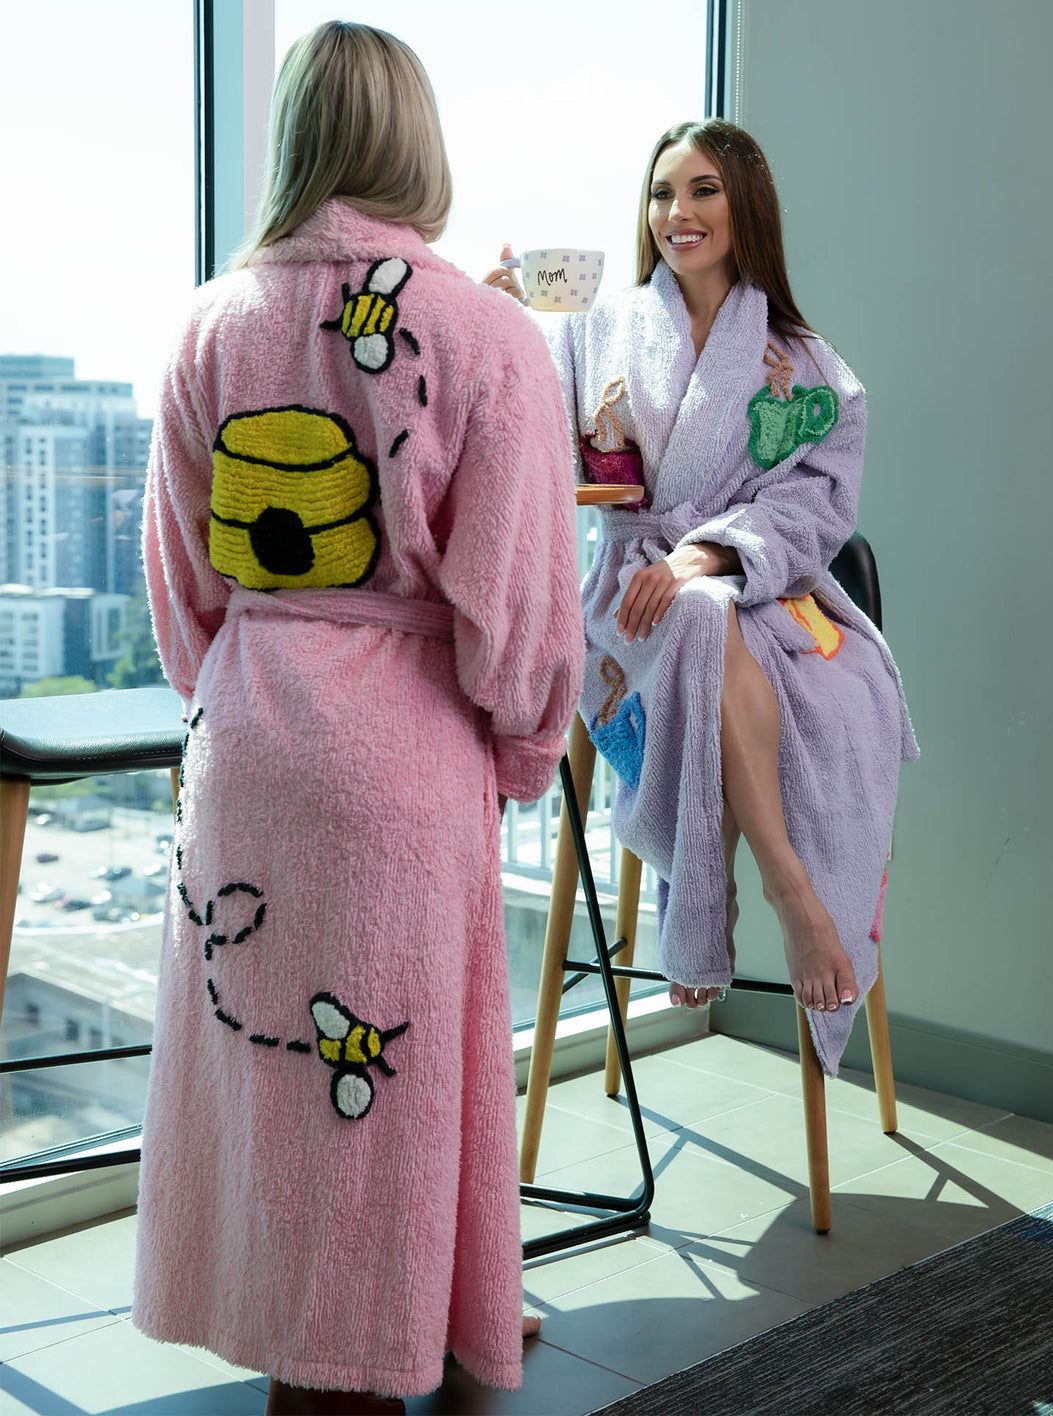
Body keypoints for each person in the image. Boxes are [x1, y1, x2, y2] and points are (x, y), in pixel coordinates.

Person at [132, 21, 584, 1415]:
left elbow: (181, 585)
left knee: (272, 1071)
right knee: (399, 1068)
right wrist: (523, 741)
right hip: (401, 747)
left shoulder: (209, 323)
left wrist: (242, 689)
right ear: (415, 140)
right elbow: (519, 591)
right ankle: (351, 1371)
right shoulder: (487, 335)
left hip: (248, 735)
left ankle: (346, 1323)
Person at [485, 119, 917, 1079]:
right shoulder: (593, 329)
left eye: (702, 190)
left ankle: (725, 894)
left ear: (743, 205)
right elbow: (524, 442)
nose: (676, 212)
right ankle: (778, 893)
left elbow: (819, 504)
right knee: (689, 615)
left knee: (703, 611)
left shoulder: (801, 361)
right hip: (627, 596)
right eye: (661, 193)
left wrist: (706, 557)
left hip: (754, 588)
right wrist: (502, 326)